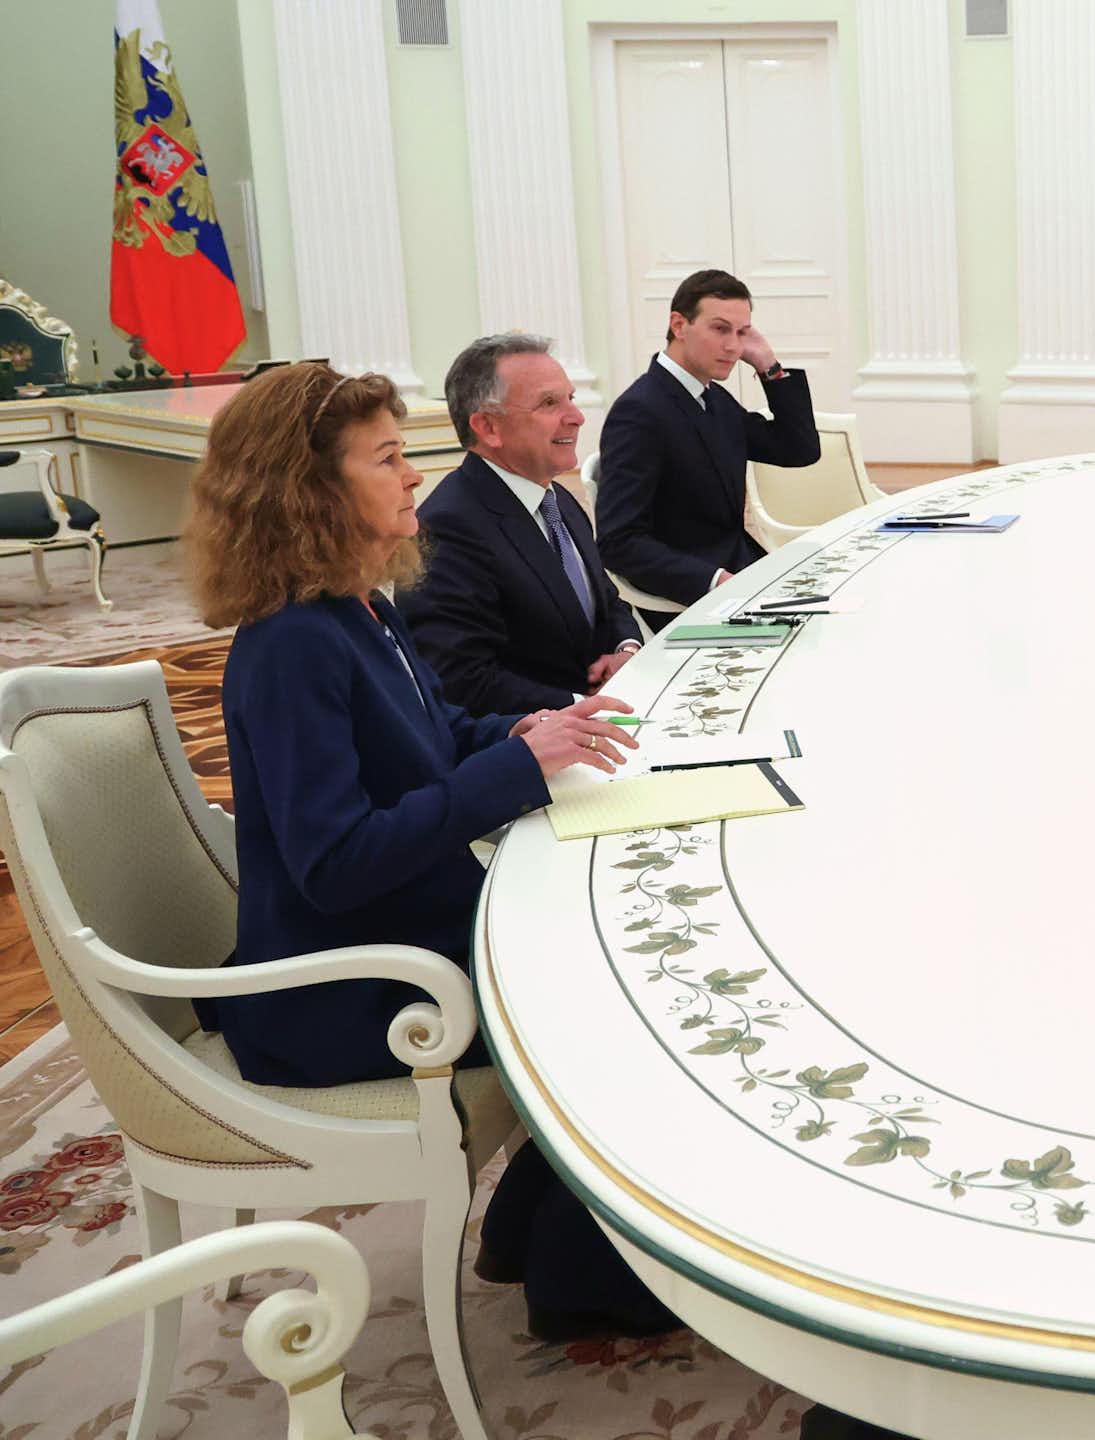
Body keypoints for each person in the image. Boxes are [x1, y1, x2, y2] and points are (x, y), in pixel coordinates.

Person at [187, 362, 675, 1341]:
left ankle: (531, 1231)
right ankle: (580, 1279)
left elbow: (437, 730)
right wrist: (512, 770)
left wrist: (532, 731)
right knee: (622, 991)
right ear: (311, 491)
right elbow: (334, 864)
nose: (415, 477)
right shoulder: (292, 647)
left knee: (612, 958)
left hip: (399, 931)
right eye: (388, 458)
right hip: (336, 991)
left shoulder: (355, 609)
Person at [403, 332, 644, 714]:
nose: (577, 417)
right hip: (532, 741)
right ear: (488, 428)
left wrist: (625, 650)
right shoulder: (448, 527)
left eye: (571, 399)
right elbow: (460, 679)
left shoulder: (557, 498)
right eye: (550, 403)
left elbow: (607, 602)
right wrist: (583, 704)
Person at [596, 268, 821, 624]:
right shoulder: (640, 412)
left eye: (742, 332)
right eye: (720, 329)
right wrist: (713, 581)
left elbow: (798, 450)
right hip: (690, 598)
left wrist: (769, 367)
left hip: (740, 571)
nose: (733, 346)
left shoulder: (712, 397)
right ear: (679, 325)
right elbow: (618, 542)